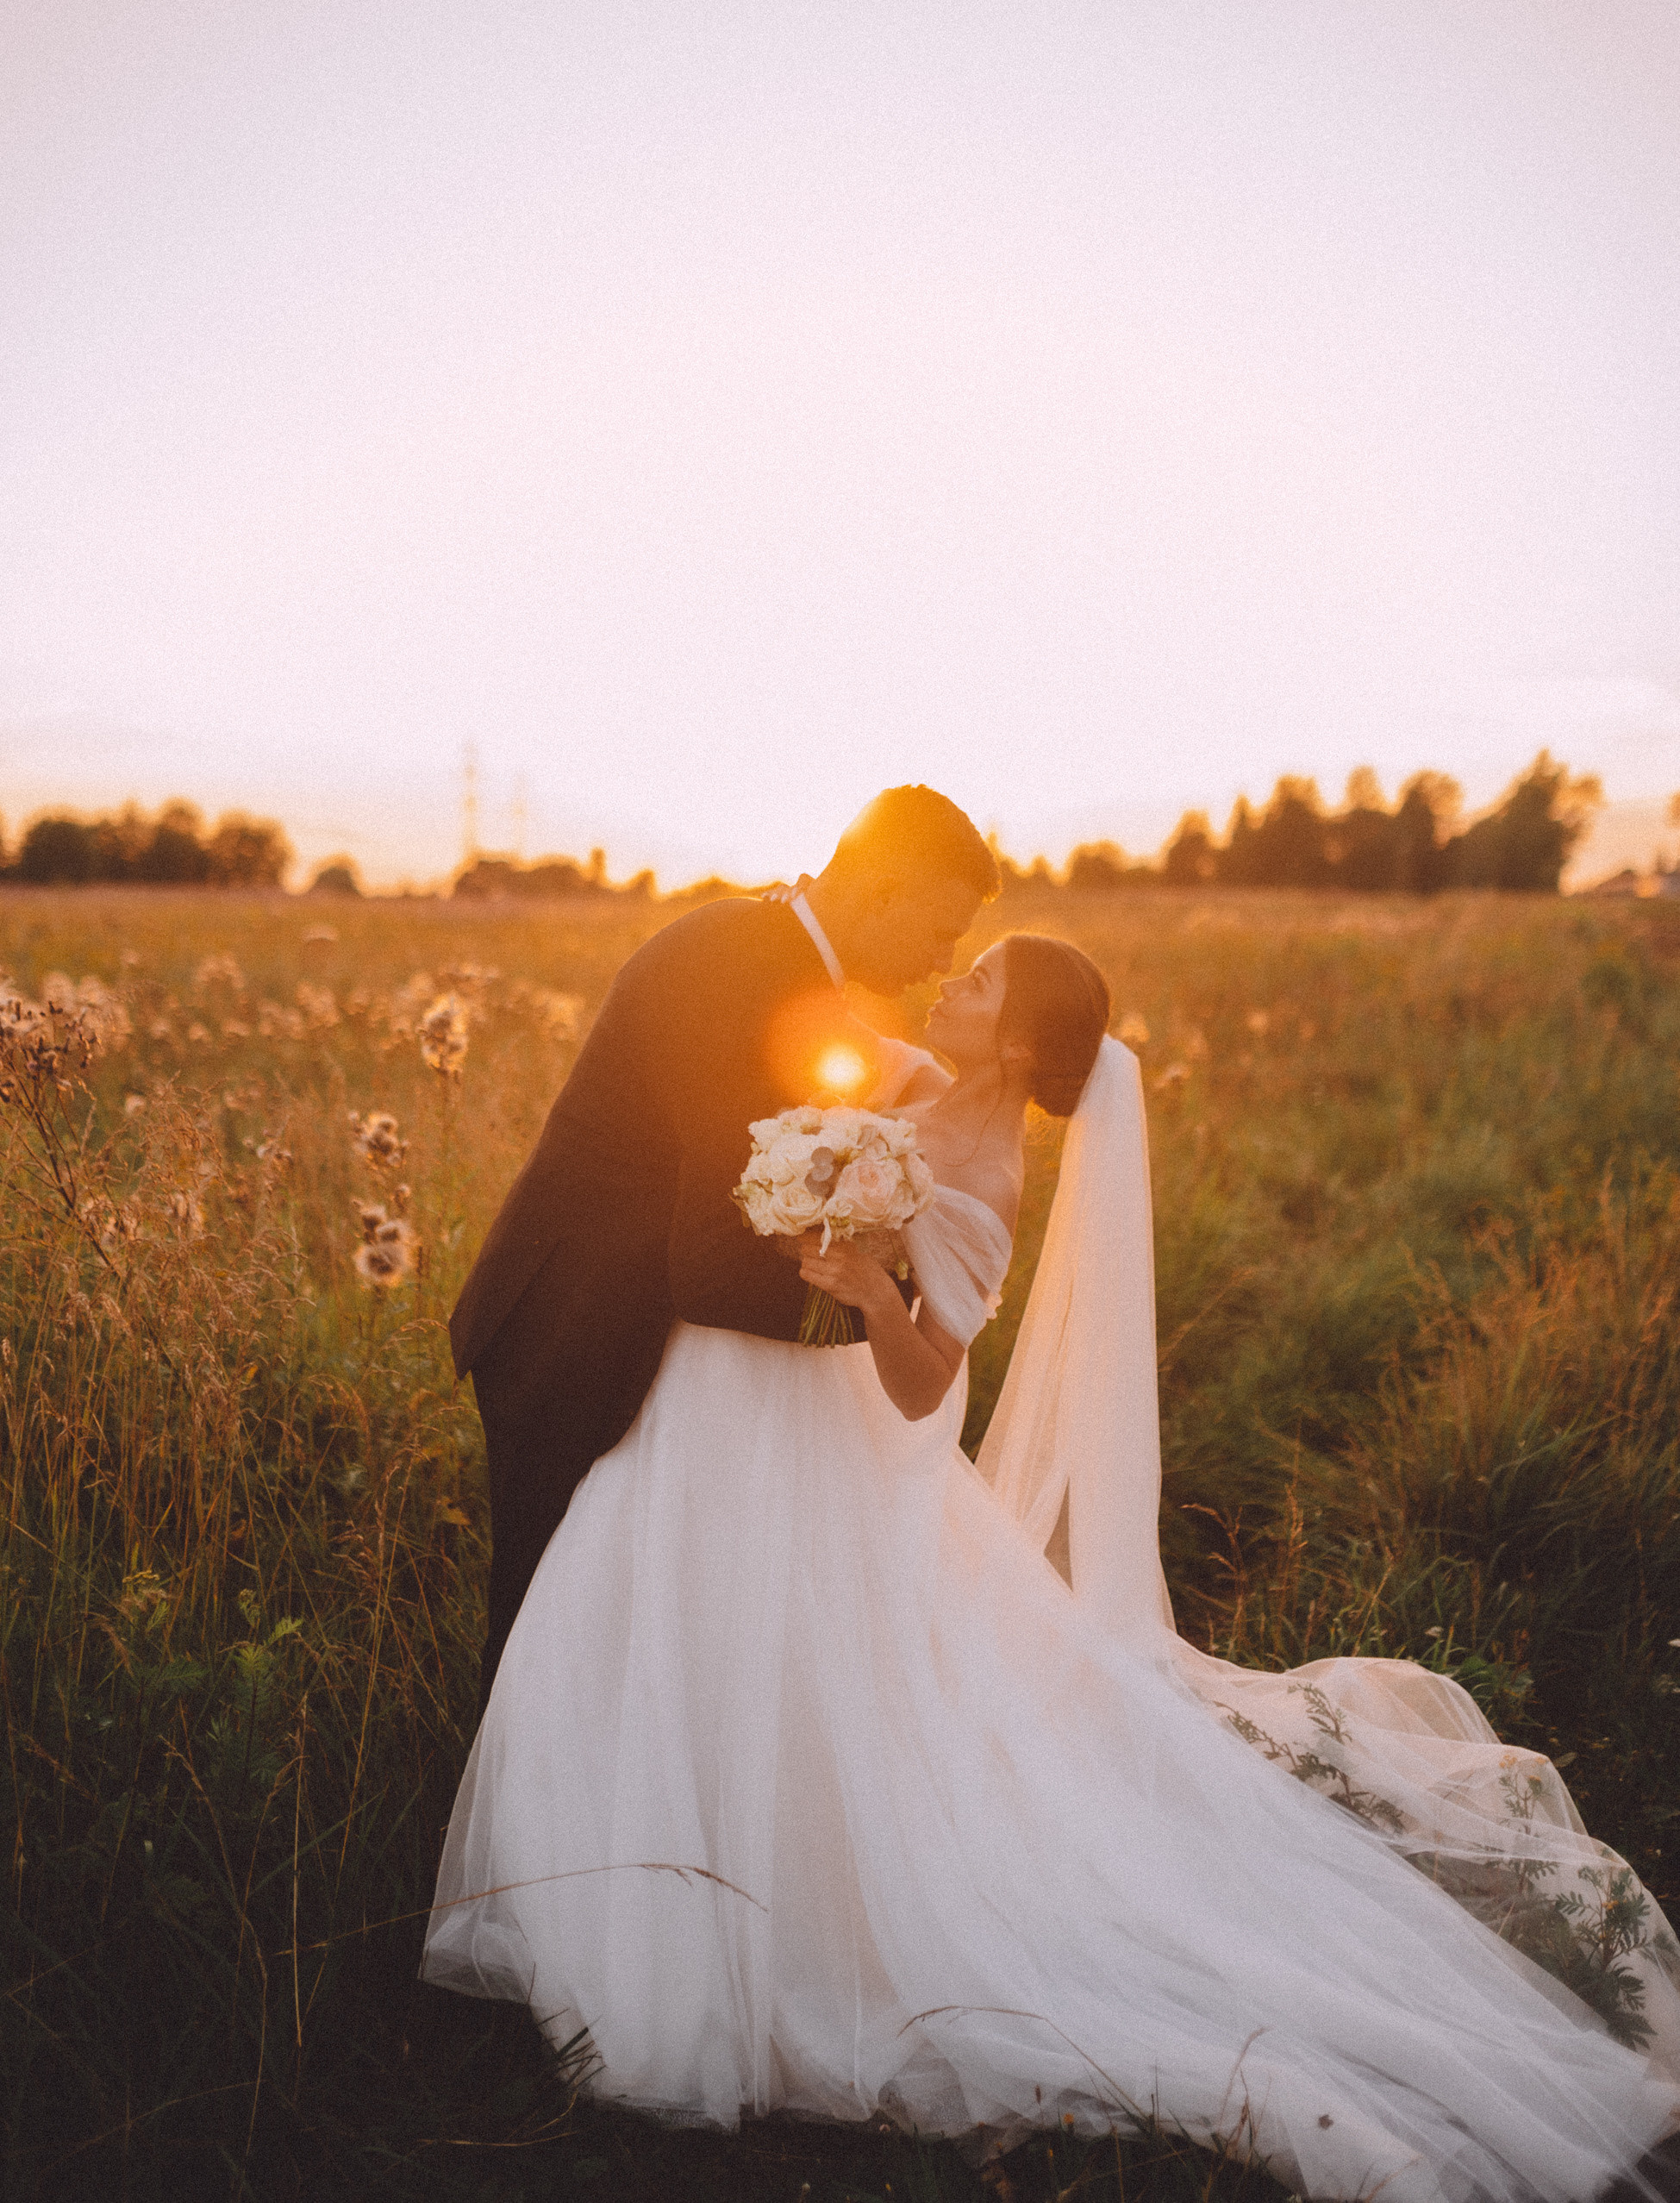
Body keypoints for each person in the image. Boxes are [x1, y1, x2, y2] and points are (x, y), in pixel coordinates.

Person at [426, 929, 1680, 2200]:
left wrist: (864, 1287)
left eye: (978, 985)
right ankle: (618, 1914)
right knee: (643, 1620)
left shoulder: (983, 1175)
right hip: (711, 1400)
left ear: (1020, 1044)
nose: (948, 984)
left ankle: (742, 1946)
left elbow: (926, 1391)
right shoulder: (905, 1077)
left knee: (785, 1674)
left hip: (829, 1432)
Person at [448, 784, 998, 1705]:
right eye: (938, 931)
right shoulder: (751, 970)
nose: (941, 962)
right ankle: (514, 1844)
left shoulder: (769, 946)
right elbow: (707, 1266)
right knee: (541, 1645)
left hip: (605, 1309)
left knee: (589, 1635)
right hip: (570, 1329)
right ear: (881, 892)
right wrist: (888, 1318)